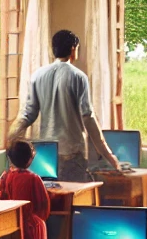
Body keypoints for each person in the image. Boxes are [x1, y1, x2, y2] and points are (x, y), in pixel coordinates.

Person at [8, 29, 119, 182]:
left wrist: (11, 139)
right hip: (72, 153)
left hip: (46, 153)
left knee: (52, 197)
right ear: (73, 49)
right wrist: (108, 155)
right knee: (73, 199)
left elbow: (27, 114)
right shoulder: (78, 77)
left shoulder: (37, 75)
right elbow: (88, 117)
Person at [0, 139, 50, 239]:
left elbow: (0, 195)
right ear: (30, 159)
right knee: (40, 226)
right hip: (32, 224)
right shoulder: (34, 179)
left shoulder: (7, 176)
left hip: (13, 222)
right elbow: (43, 206)